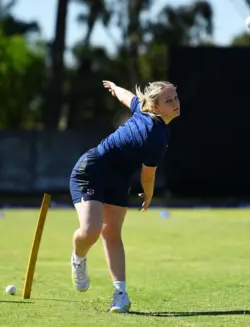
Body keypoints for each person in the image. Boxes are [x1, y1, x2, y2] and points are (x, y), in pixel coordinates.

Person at [69, 80, 181, 313]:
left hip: (118, 180)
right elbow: (148, 177)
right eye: (168, 100)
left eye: (175, 98)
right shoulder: (156, 135)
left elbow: (127, 97)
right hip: (91, 171)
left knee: (111, 233)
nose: (175, 103)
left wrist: (116, 88)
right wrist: (148, 196)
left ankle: (120, 294)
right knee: (91, 230)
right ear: (155, 107)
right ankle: (78, 258)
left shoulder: (147, 115)